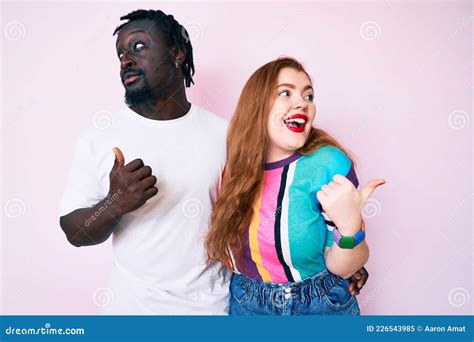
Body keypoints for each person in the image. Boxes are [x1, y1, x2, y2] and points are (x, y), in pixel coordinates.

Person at [59, 9, 369, 314]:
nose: (126, 59)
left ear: (178, 54)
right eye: (121, 54)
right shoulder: (99, 137)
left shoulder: (228, 136)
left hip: (213, 309)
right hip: (131, 310)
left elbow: (277, 202)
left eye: (138, 46)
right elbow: (75, 232)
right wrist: (115, 202)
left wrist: (338, 263)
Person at [206, 57, 384, 315]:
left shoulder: (328, 164)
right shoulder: (225, 164)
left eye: (309, 96)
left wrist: (349, 227)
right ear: (256, 105)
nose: (302, 103)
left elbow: (343, 268)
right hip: (246, 304)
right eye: (285, 93)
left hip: (320, 306)